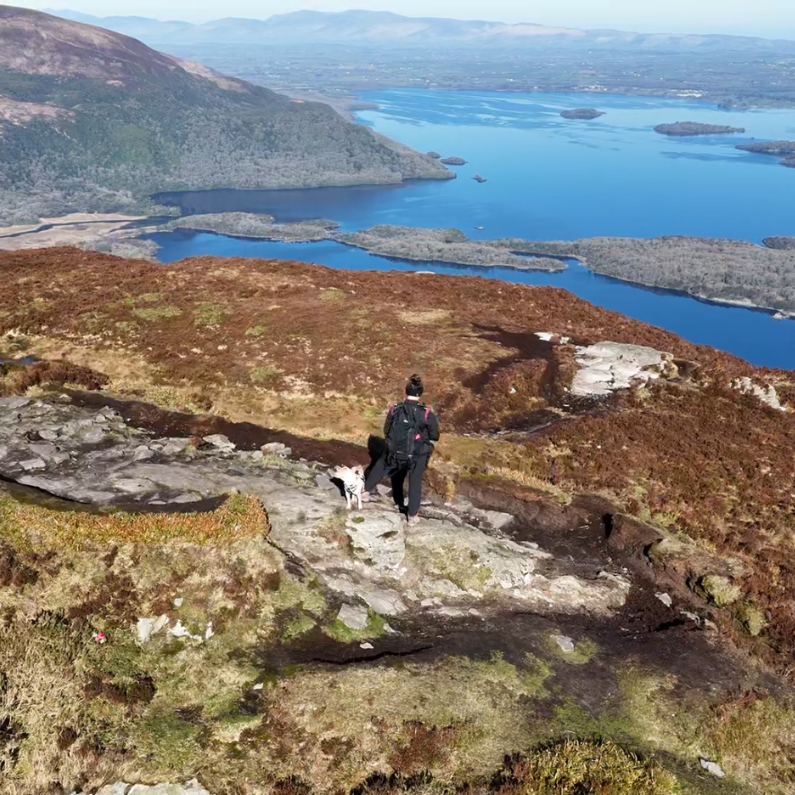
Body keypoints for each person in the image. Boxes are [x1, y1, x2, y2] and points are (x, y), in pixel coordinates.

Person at [364, 374, 440, 525]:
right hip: (416, 454)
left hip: (394, 451)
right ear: (420, 393)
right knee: (415, 480)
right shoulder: (426, 413)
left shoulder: (395, 409)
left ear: (406, 392)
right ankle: (412, 516)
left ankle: (365, 492)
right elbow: (434, 436)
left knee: (381, 464)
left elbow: (387, 430)